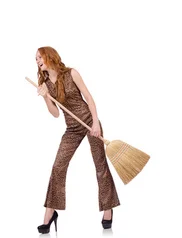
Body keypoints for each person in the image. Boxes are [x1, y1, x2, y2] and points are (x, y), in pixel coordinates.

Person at [34, 46, 119, 234]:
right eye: (36, 59)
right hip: (72, 128)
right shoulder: (46, 84)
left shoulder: (72, 73)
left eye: (40, 57)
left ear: (49, 56)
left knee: (100, 165)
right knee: (58, 167)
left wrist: (96, 123)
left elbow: (89, 97)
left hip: (89, 122)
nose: (38, 60)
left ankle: (108, 209)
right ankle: (50, 214)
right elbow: (56, 114)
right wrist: (45, 98)